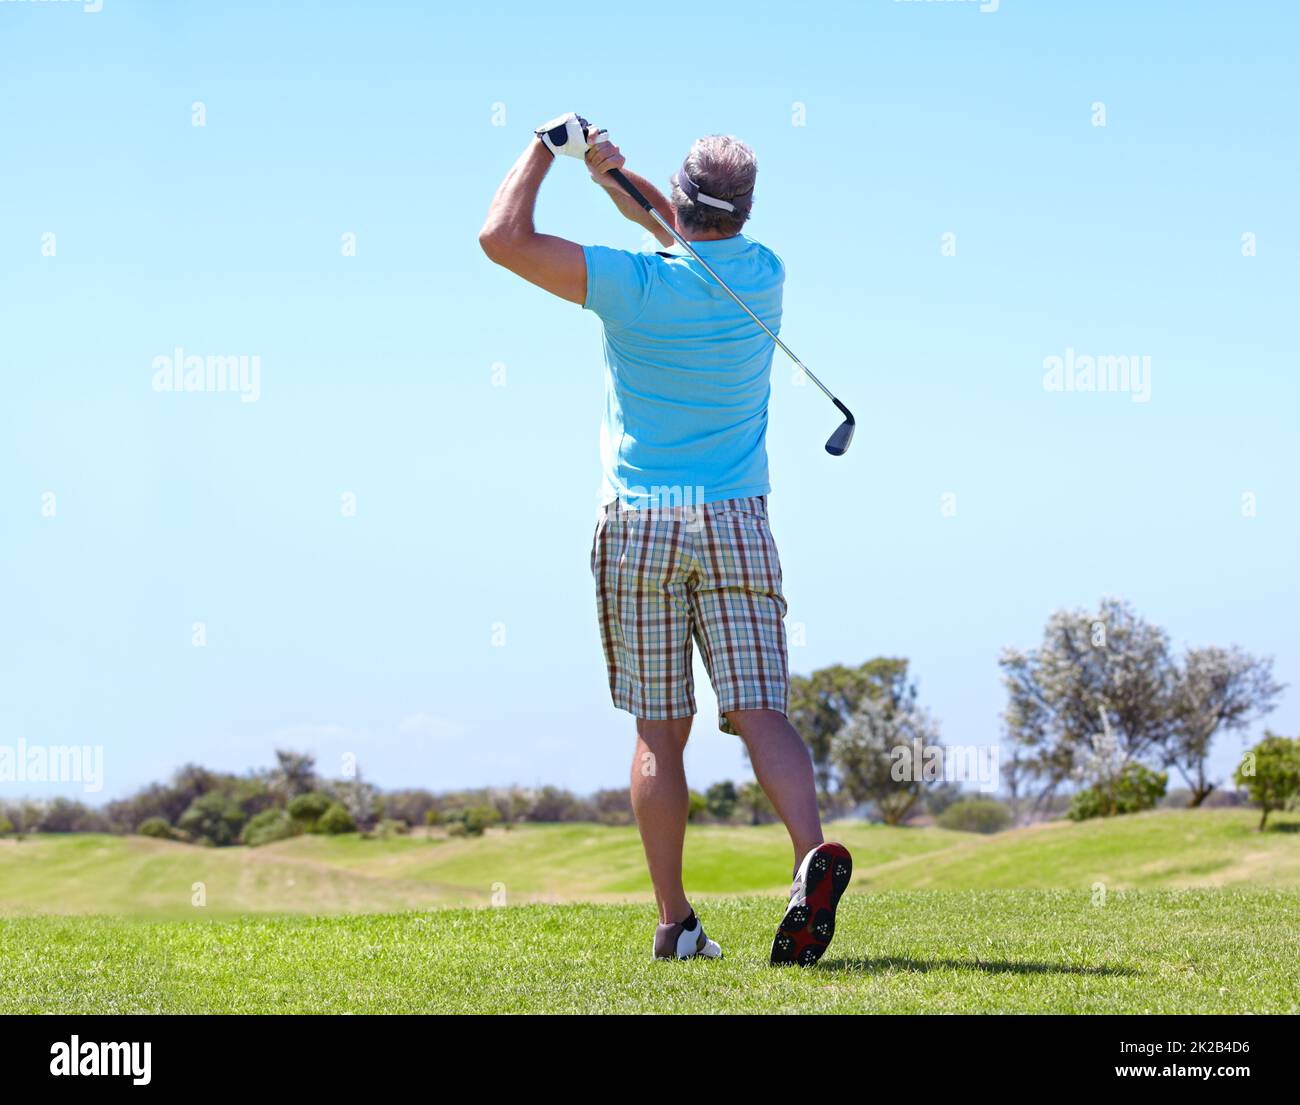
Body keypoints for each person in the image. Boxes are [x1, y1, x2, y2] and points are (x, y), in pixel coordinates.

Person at [479, 113, 852, 967]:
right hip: (736, 517)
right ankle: (809, 858)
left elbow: (502, 238)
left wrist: (546, 151)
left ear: (683, 202)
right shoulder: (761, 276)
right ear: (746, 213)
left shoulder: (632, 285)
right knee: (761, 709)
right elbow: (674, 225)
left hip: (644, 520)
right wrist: (610, 174)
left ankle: (675, 921)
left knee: (660, 729)